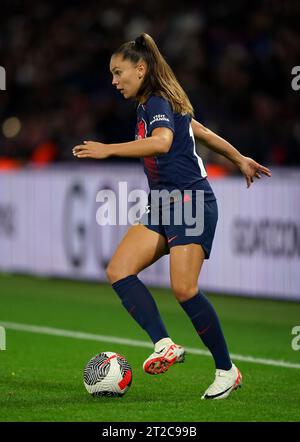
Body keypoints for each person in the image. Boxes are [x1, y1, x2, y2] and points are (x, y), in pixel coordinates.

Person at [73, 33, 271, 400]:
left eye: (119, 73)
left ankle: (227, 370)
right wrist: (239, 157)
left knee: (184, 289)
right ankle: (164, 343)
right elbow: (203, 133)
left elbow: (163, 142)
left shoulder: (157, 103)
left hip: (191, 200)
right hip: (164, 203)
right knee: (119, 270)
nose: (114, 82)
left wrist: (108, 150)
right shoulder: (158, 103)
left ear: (141, 68)